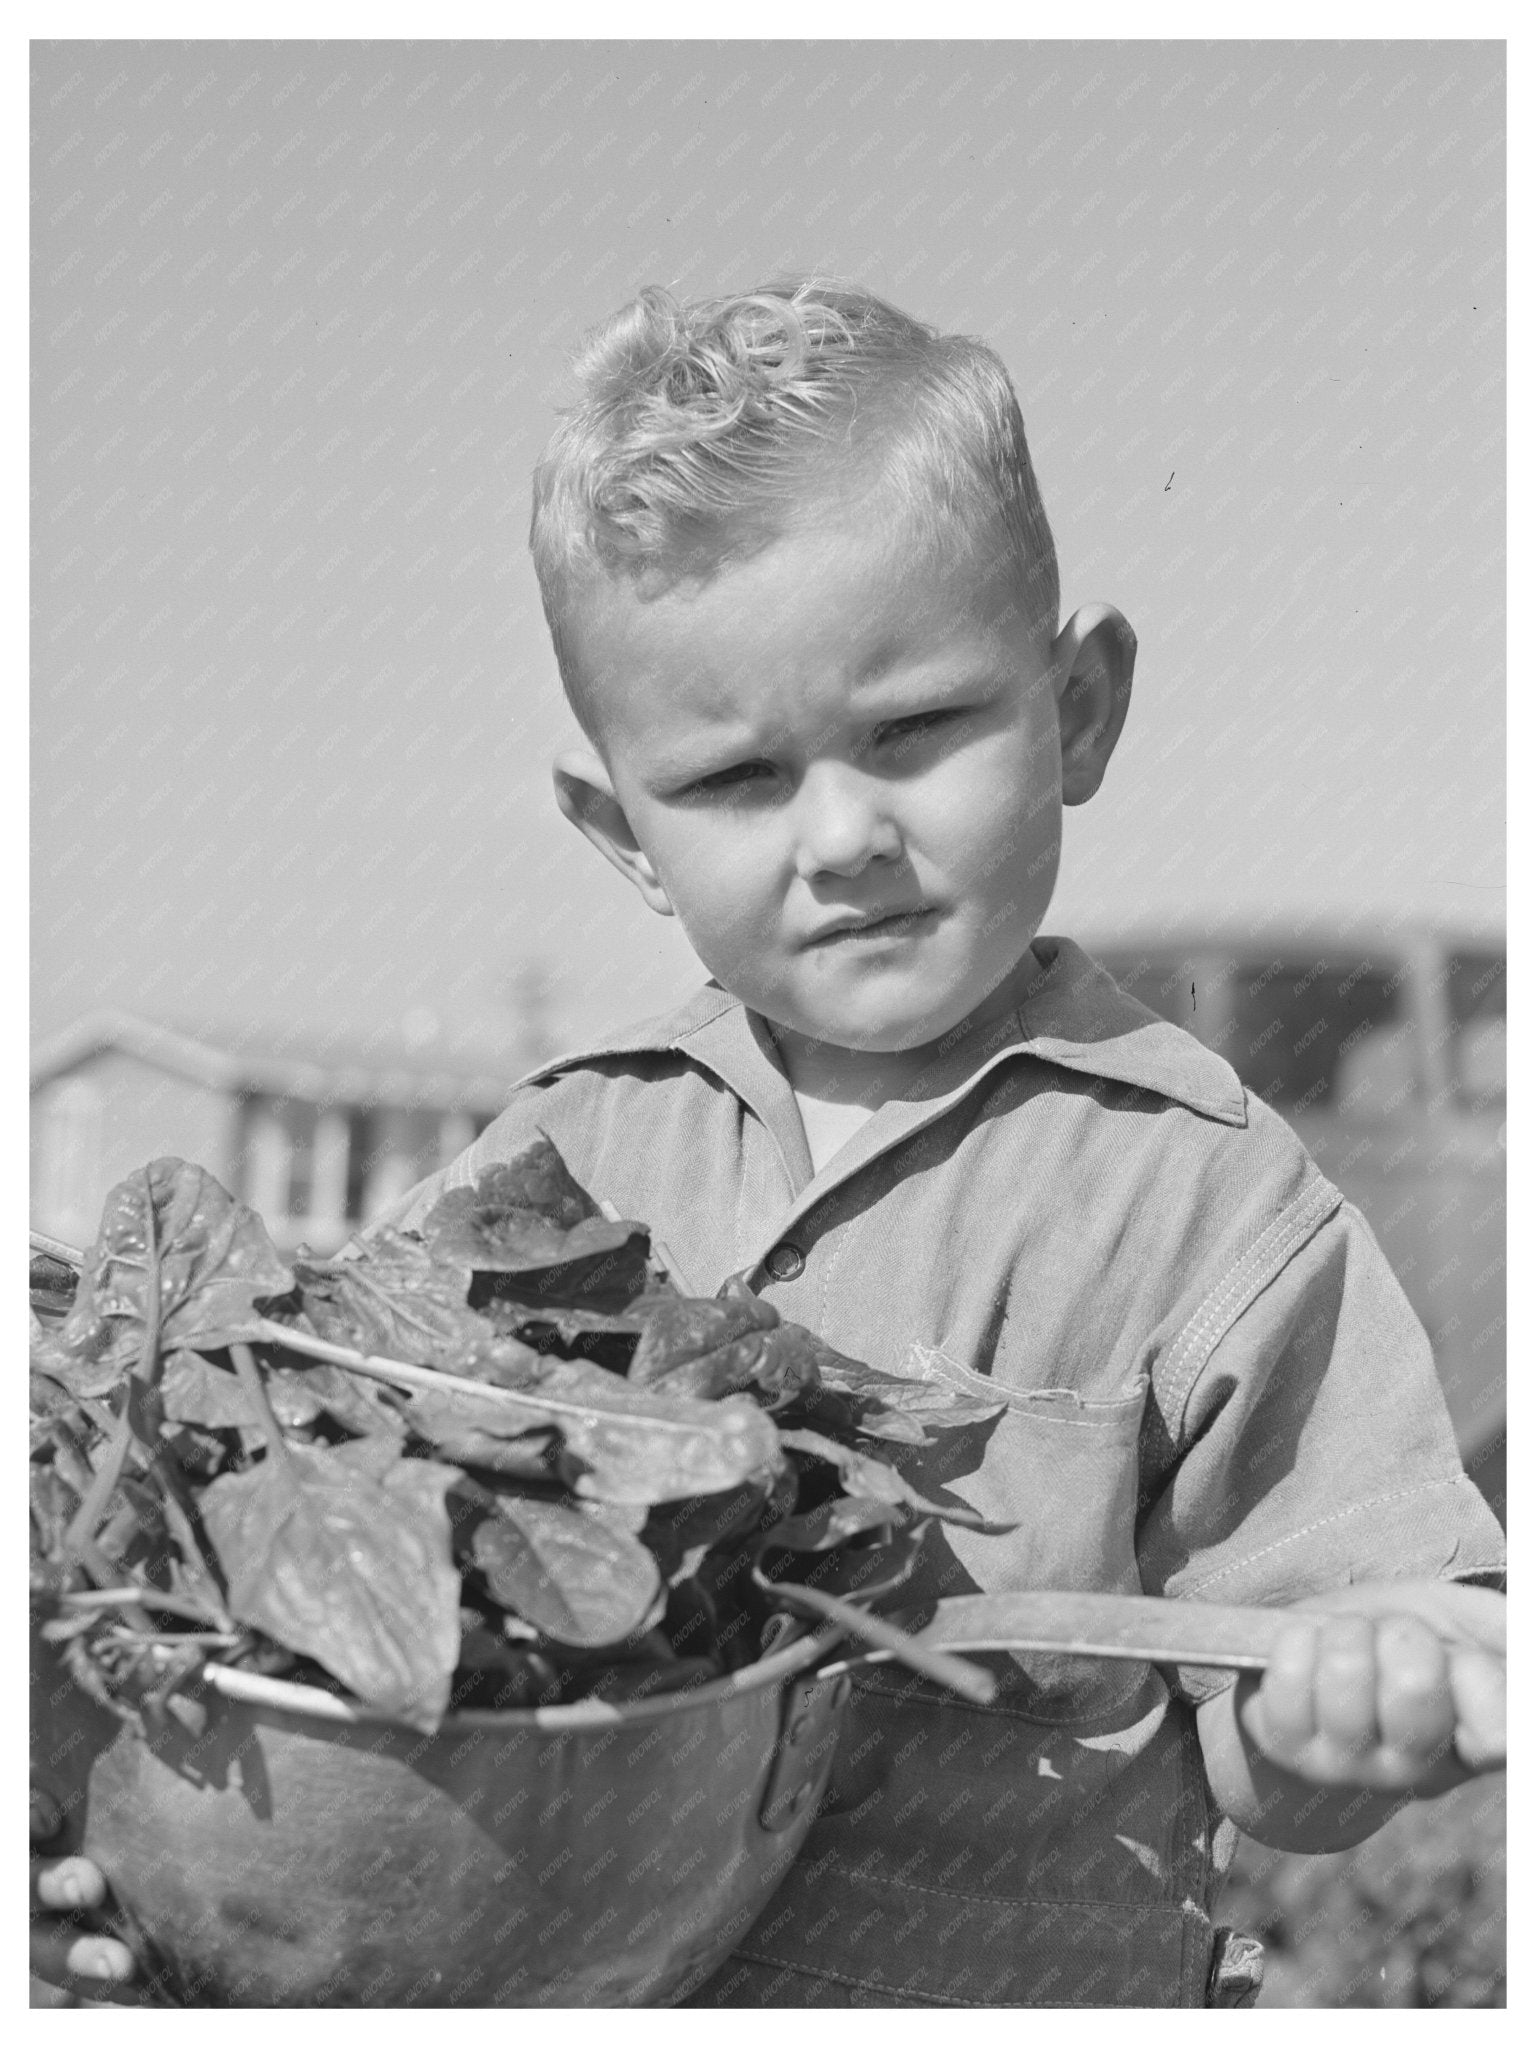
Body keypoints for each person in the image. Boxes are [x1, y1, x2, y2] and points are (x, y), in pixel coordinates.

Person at [33, 279, 1506, 2008]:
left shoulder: (1208, 1198)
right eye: (737, 780)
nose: (844, 835)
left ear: (1081, 708)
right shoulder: (549, 1166)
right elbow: (323, 1577)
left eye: (917, 730)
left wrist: (1358, 1702)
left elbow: (1312, 1714)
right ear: (622, 832)